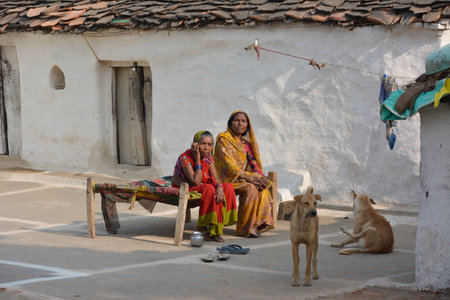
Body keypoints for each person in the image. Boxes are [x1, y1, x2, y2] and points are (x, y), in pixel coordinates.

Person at [214, 111, 274, 238]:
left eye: (243, 121)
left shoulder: (246, 145)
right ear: (230, 123)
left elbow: (253, 163)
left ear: (248, 125)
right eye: (237, 120)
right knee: (250, 188)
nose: (240, 123)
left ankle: (256, 225)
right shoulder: (223, 139)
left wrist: (260, 177)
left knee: (261, 189)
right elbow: (228, 163)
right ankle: (243, 228)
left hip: (240, 178)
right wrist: (247, 177)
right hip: (224, 179)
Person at [172, 130, 238, 242]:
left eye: (210, 144)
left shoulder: (208, 158)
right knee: (209, 188)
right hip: (186, 186)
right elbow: (196, 181)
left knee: (227, 187)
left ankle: (216, 227)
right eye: (203, 144)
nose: (207, 148)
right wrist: (197, 158)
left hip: (203, 185)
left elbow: (215, 177)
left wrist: (220, 187)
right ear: (195, 144)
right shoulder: (185, 158)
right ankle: (203, 227)